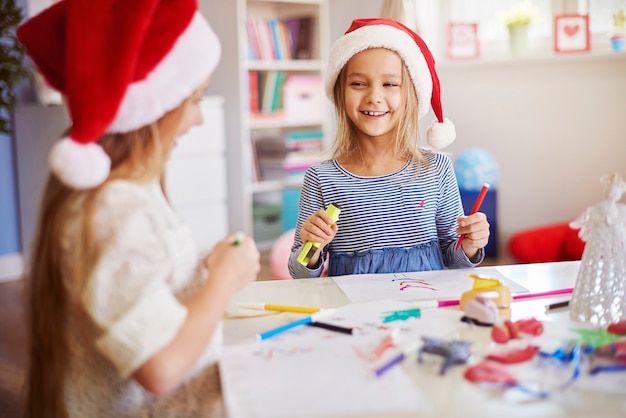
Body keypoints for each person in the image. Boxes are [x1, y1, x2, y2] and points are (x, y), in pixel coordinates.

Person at [17, 1, 260, 416]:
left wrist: (197, 276)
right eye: (194, 100)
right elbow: (161, 367)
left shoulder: (130, 194)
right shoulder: (114, 209)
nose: (198, 119)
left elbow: (137, 289)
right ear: (152, 107)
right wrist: (223, 279)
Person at [288, 18, 490, 279]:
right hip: (356, 314)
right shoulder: (322, 178)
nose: (374, 96)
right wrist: (311, 246)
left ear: (412, 95)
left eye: (390, 84)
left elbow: (456, 261)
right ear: (340, 93)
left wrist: (472, 244)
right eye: (358, 84)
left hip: (424, 308)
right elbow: (300, 273)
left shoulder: (437, 169)